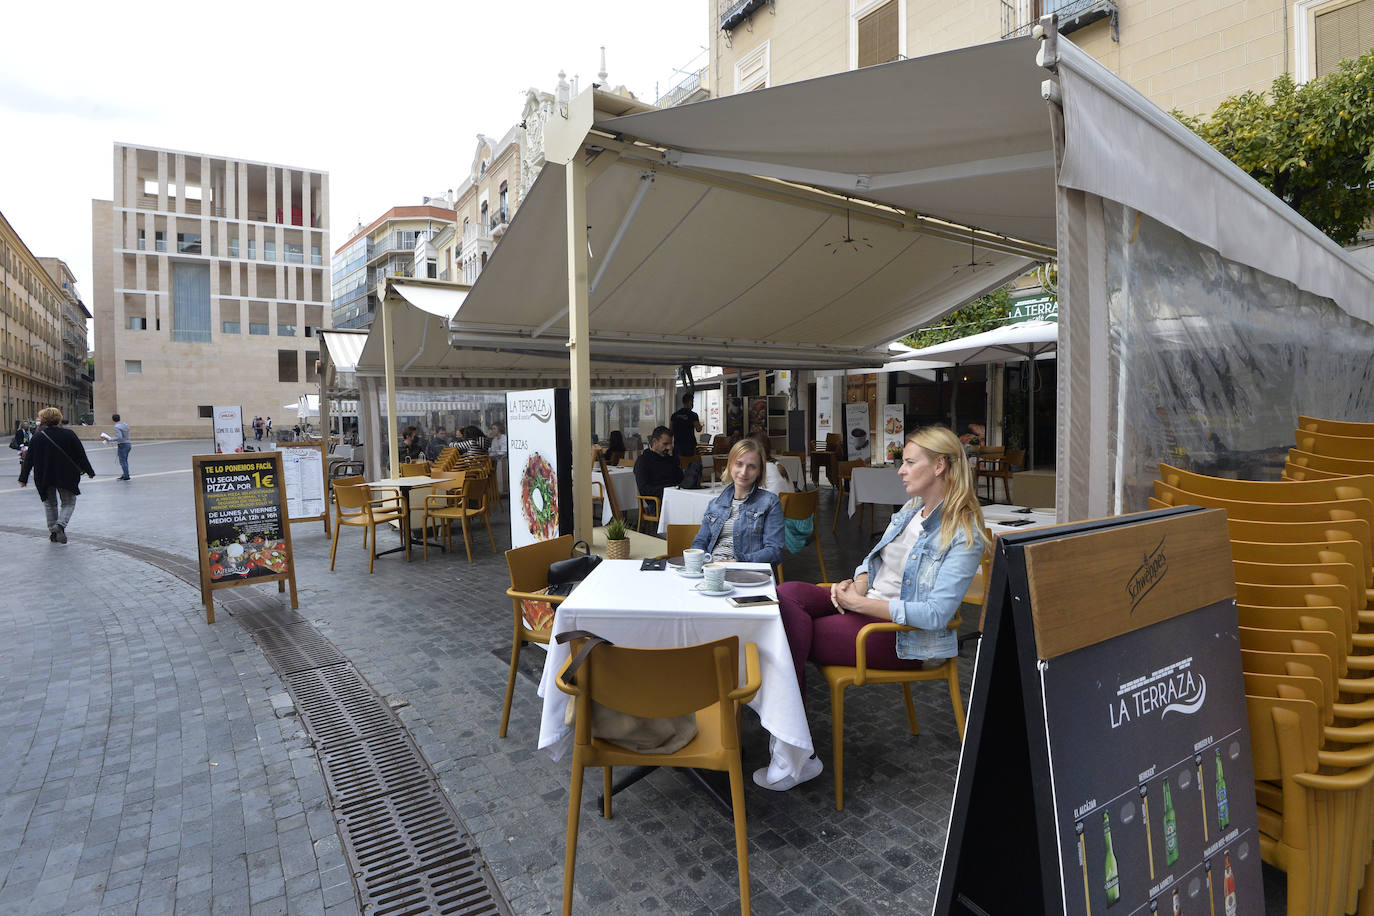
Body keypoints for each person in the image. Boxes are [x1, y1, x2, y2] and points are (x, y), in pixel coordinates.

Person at [765, 426, 986, 790]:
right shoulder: (913, 510)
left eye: (910, 462)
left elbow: (936, 614)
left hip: (897, 638)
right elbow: (876, 559)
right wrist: (858, 583)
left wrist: (862, 603)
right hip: (863, 608)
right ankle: (793, 747)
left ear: (940, 466)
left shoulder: (963, 533)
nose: (900, 470)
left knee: (790, 630)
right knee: (786, 593)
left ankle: (791, 747)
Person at [690, 437, 784, 565]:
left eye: (751, 467)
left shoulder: (770, 502)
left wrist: (738, 561)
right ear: (730, 465)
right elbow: (699, 542)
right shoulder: (715, 504)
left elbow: (774, 552)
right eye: (739, 464)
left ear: (759, 471)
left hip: (746, 571)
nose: (744, 472)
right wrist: (703, 562)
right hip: (711, 569)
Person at [18, 407, 96, 544]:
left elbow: (28, 459)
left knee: (50, 504)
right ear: (59, 418)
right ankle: (60, 526)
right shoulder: (69, 434)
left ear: (42, 420)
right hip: (66, 475)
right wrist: (89, 471)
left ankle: (53, 533)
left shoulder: (37, 437)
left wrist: (23, 478)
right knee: (69, 502)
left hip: (44, 475)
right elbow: (81, 455)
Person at [633, 426, 683, 503]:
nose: (669, 447)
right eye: (665, 444)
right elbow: (644, 490)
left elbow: (681, 480)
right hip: (658, 502)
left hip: (677, 497)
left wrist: (674, 458)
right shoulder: (643, 461)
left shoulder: (670, 458)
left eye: (670, 444)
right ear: (655, 441)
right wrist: (670, 490)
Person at [670, 393, 703, 459]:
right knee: (689, 465)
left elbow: (670, 431)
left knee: (678, 464)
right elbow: (698, 429)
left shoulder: (674, 415)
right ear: (690, 402)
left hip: (678, 444)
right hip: (689, 445)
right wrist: (701, 426)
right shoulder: (693, 415)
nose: (693, 403)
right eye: (692, 401)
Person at [489, 422, 508, 495]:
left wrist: (495, 452)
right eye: (492, 429)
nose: (493, 430)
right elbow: (492, 452)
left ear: (499, 429)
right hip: (496, 460)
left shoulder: (504, 438)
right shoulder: (494, 440)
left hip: (503, 461)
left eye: (494, 428)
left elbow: (503, 452)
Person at [111, 413, 132, 479]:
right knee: (125, 460)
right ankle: (125, 474)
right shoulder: (125, 424)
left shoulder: (116, 426)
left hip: (122, 445)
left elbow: (119, 437)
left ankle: (126, 475)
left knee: (122, 461)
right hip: (128, 443)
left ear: (113, 419)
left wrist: (110, 439)